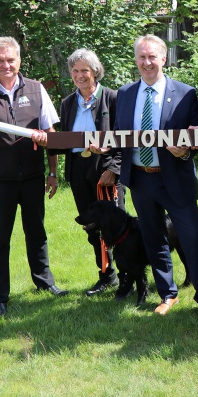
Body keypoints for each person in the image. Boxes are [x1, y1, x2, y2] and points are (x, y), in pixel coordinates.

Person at [108, 35, 198, 319]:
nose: (147, 62)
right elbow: (120, 134)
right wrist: (103, 146)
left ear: (164, 58)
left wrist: (185, 151)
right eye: (142, 57)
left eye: (152, 57)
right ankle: (168, 294)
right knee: (154, 239)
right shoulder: (126, 93)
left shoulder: (185, 93)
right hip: (141, 179)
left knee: (191, 238)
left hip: (175, 178)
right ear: (136, 60)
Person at [0, 36, 68, 315]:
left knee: (37, 233)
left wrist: (53, 172)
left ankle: (44, 283)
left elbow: (51, 135)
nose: (6, 65)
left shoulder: (35, 89)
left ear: (19, 60)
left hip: (32, 177)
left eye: (11, 59)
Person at [52, 49, 126, 297]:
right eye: (75, 71)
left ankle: (127, 276)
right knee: (92, 225)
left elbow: (125, 138)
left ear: (95, 71)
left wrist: (114, 168)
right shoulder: (67, 103)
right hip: (79, 171)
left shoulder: (114, 98)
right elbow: (63, 142)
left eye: (84, 70)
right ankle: (107, 276)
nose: (79, 75)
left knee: (116, 224)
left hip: (105, 169)